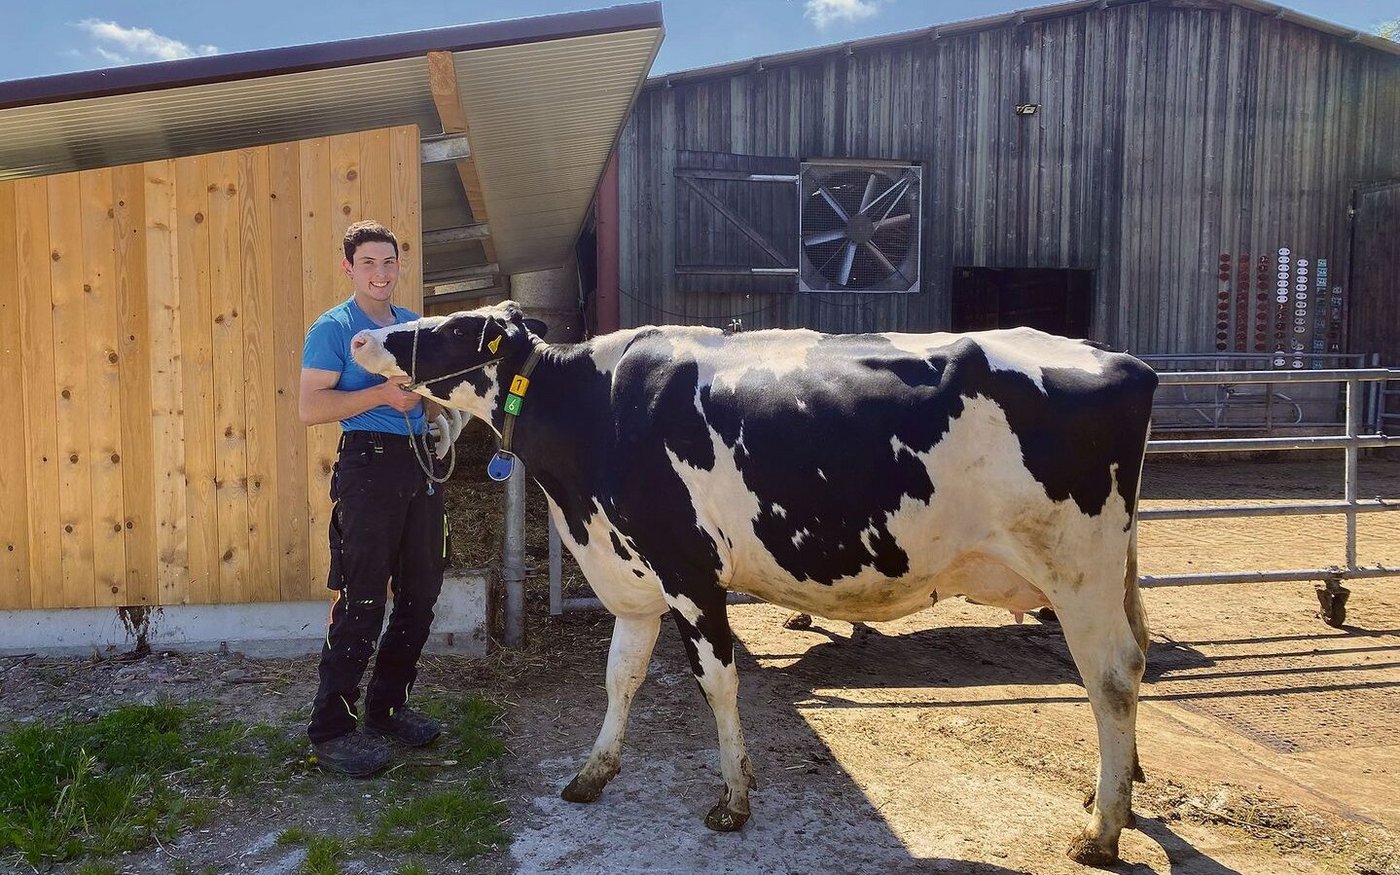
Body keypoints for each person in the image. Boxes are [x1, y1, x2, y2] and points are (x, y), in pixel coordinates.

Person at [298, 219, 463, 776]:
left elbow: (432, 395)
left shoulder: (414, 327)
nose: (379, 273)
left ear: (399, 266)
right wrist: (382, 397)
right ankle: (331, 729)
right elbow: (310, 407)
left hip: (421, 462)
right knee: (363, 595)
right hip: (367, 464)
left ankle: (388, 708)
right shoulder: (334, 328)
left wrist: (440, 417)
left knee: (421, 592)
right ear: (349, 268)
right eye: (367, 263)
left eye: (388, 262)